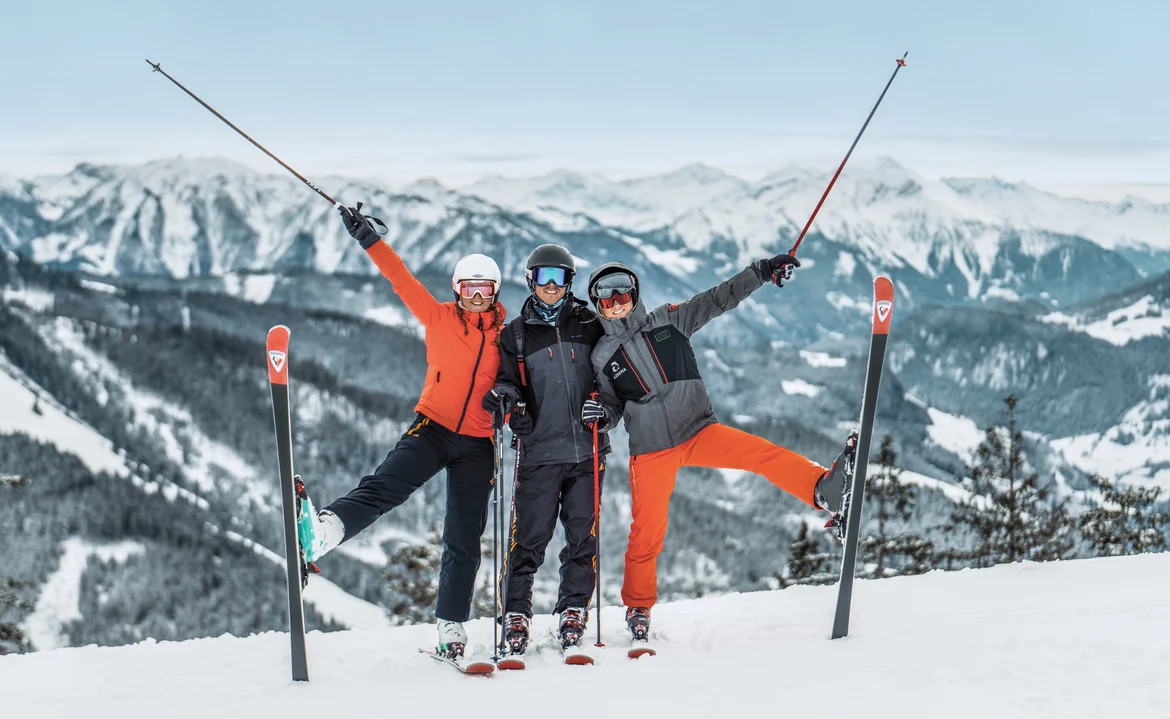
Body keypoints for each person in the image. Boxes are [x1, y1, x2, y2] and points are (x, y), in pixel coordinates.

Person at [583, 254, 854, 643]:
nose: (615, 302)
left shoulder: (670, 320)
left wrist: (761, 272)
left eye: (621, 293)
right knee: (646, 531)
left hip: (698, 430)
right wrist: (600, 415)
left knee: (759, 453)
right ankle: (638, 606)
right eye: (605, 298)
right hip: (652, 448)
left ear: (635, 293)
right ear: (597, 303)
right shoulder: (601, 356)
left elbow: (717, 298)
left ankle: (821, 488)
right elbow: (612, 406)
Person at [297, 204, 506, 661]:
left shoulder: (507, 338)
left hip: (478, 444)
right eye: (468, 287)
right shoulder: (438, 318)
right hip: (432, 428)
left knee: (464, 536)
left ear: (495, 292)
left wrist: (510, 405)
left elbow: (521, 386)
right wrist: (368, 239)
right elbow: (401, 278)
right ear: (457, 289)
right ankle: (323, 534)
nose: (476, 296)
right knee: (384, 487)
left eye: (485, 288)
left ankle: (451, 627)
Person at [482, 244, 607, 658]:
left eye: (559, 277)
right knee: (528, 540)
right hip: (538, 452)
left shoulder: (590, 324)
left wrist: (606, 410)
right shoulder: (516, 334)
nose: (550, 286)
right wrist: (508, 404)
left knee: (581, 539)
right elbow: (507, 381)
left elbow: (611, 378)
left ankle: (573, 609)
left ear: (570, 282)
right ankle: (516, 613)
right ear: (530, 280)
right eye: (542, 277)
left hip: (588, 451)